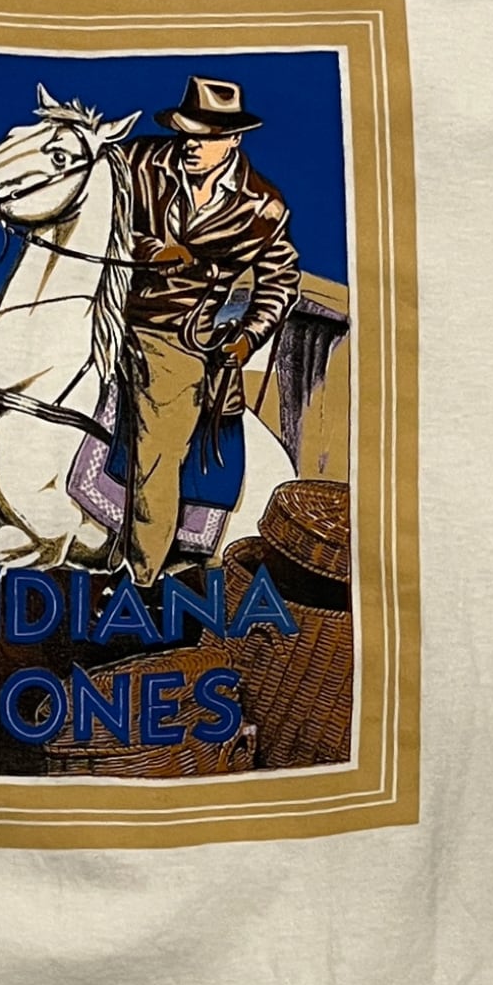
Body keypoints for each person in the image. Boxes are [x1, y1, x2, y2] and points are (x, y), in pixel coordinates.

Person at [112, 76, 302, 596]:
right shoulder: (136, 162)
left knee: (159, 441)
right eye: (186, 132)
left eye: (205, 136)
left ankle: (140, 576)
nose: (192, 144)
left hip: (178, 334)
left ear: (233, 139)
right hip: (107, 307)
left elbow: (280, 281)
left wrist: (248, 337)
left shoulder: (263, 207)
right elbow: (93, 207)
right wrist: (148, 249)